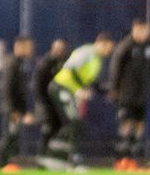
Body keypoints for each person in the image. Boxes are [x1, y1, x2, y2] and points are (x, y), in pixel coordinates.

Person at [46, 32, 117, 167]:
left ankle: (61, 156)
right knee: (75, 121)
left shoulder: (97, 59)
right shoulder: (86, 52)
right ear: (100, 43)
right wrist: (80, 89)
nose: (109, 51)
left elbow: (91, 81)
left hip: (71, 91)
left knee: (76, 123)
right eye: (108, 47)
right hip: (61, 87)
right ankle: (66, 157)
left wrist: (106, 92)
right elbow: (70, 68)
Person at [108, 19, 150, 169]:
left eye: (145, 30)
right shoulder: (125, 46)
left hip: (142, 93)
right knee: (126, 123)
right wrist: (115, 89)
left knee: (139, 123)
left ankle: (136, 156)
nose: (143, 34)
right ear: (134, 30)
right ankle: (122, 157)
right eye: (140, 30)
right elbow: (115, 68)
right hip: (126, 93)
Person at [0, 37, 35, 170]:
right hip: (11, 110)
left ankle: (6, 163)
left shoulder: (20, 64)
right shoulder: (11, 63)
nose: (31, 50)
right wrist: (12, 110)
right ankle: (1, 164)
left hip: (16, 109)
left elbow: (20, 90)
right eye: (28, 47)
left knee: (13, 136)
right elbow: (7, 88)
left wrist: (23, 111)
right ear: (20, 47)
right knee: (9, 136)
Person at [32, 38, 70, 156]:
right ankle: (42, 155)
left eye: (62, 49)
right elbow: (38, 87)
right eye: (58, 49)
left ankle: (54, 156)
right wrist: (43, 103)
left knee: (60, 129)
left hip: (59, 105)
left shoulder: (65, 64)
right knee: (47, 130)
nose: (60, 51)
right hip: (46, 105)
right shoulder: (44, 64)